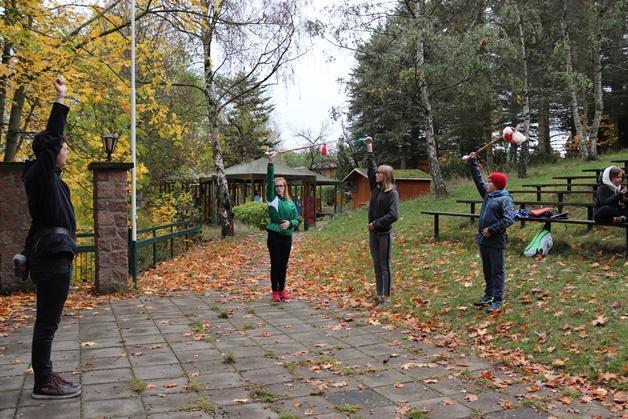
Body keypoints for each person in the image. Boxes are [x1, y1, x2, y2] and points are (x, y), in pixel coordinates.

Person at [21, 77, 81, 399]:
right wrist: (61, 99)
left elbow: (37, 224)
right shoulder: (41, 175)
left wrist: (25, 253)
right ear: (52, 151)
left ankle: (46, 375)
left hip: (54, 255)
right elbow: (53, 137)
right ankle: (43, 382)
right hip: (53, 258)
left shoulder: (53, 183)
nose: (66, 151)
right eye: (64, 147)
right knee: (46, 324)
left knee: (48, 322)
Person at [467, 153, 515, 313]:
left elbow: (509, 219)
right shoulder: (488, 195)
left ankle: (498, 300)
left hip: (496, 241)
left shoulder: (505, 199)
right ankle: (488, 295)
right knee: (487, 270)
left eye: (490, 182)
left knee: (497, 272)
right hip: (484, 241)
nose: (487, 184)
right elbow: (478, 180)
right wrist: (472, 163)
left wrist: (492, 229)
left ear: (497, 185)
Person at [365, 137, 399, 309]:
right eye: (377, 173)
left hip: (384, 234)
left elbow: (394, 215)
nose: (376, 174)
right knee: (377, 265)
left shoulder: (392, 193)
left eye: (380, 173)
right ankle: (379, 295)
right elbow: (371, 167)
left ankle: (386, 297)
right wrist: (369, 147)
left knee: (385, 265)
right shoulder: (375, 188)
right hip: (373, 234)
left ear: (386, 176)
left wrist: (376, 224)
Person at [266, 153, 299, 302]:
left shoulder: (291, 203)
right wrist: (270, 162)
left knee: (284, 265)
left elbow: (297, 219)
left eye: (281, 186)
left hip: (287, 237)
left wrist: (290, 223)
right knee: (276, 264)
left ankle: (282, 289)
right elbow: (269, 179)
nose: (278, 188)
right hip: (274, 236)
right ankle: (275, 291)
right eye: (276, 186)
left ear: (285, 187)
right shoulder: (272, 200)